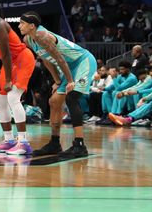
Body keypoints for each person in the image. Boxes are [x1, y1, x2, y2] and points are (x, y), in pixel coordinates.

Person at [19, 12, 97, 158]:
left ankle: (79, 145)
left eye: (22, 23)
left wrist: (70, 81)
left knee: (71, 98)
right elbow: (46, 60)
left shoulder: (42, 36)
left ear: (32, 26)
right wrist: (58, 81)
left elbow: (60, 59)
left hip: (82, 62)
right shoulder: (28, 39)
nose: (19, 26)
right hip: (67, 67)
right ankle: (55, 143)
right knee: (54, 102)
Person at [0, 19, 36, 155]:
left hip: (22, 58)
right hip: (7, 63)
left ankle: (23, 143)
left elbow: (6, 54)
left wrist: (9, 80)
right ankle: (9, 140)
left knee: (13, 97)